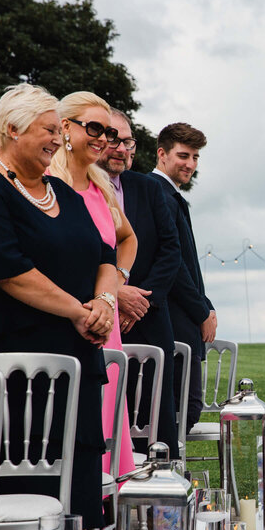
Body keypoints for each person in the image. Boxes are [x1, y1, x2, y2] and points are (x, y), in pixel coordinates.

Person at [0, 83, 117, 529]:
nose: (57, 141)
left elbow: (106, 255)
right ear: (12, 129)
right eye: (48, 130)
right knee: (23, 499)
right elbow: (11, 271)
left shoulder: (61, 191)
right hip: (15, 382)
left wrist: (104, 300)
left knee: (78, 493)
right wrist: (79, 312)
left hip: (76, 367)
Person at [49, 91, 138, 481]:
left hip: (108, 317)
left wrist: (116, 284)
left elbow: (127, 239)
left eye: (110, 132)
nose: (105, 139)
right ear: (66, 127)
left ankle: (105, 516)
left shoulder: (101, 186)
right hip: (69, 315)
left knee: (108, 414)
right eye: (96, 128)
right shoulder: (48, 182)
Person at [98, 109, 181, 456]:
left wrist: (141, 300)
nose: (120, 148)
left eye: (127, 141)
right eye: (112, 139)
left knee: (156, 420)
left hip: (146, 316)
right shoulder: (75, 187)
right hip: (97, 316)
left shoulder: (146, 187)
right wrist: (117, 293)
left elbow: (171, 249)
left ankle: (161, 499)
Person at [150, 123, 214, 435]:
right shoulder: (158, 193)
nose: (190, 164)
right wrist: (201, 311)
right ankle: (167, 474)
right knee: (183, 408)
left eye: (195, 157)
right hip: (175, 318)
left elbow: (187, 262)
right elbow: (173, 263)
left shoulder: (169, 194)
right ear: (161, 154)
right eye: (183, 155)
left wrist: (208, 304)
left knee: (183, 408)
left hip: (184, 315)